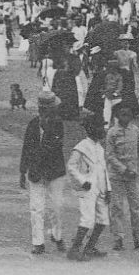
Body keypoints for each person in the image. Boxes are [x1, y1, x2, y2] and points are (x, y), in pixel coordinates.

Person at [19, 91, 66, 255]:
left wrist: (46, 130)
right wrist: (22, 171)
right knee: (36, 208)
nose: (46, 113)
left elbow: (53, 147)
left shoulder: (57, 124)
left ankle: (57, 235)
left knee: (57, 207)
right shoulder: (32, 124)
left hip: (54, 172)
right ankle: (38, 242)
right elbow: (26, 148)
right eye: (44, 109)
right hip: (36, 172)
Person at [105, 100, 139, 253]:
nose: (125, 117)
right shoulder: (112, 132)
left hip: (133, 175)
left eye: (128, 114)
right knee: (117, 206)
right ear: (117, 116)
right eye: (122, 114)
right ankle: (118, 238)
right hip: (117, 175)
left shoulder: (135, 130)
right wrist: (123, 169)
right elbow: (110, 155)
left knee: (137, 206)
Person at [65, 114, 111, 262]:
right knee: (87, 219)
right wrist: (82, 180)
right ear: (91, 129)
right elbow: (71, 166)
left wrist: (108, 188)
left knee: (103, 219)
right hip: (88, 188)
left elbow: (104, 169)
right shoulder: (81, 147)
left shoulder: (99, 147)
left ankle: (90, 247)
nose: (102, 130)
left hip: (101, 187)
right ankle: (75, 249)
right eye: (99, 127)